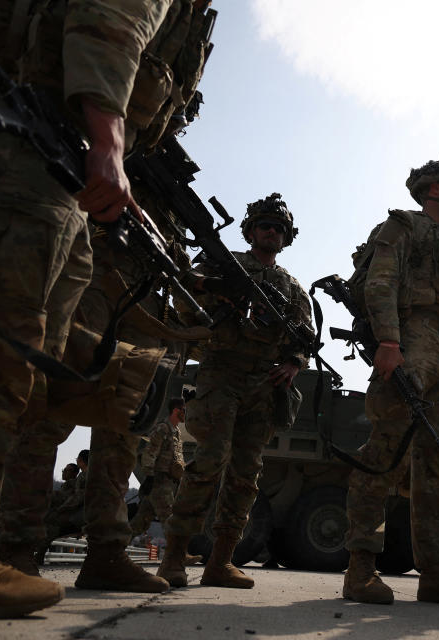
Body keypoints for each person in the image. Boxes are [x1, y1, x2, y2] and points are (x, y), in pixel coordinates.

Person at [0, 0, 175, 618]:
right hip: (33, 149)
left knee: (19, 365)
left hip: (53, 163)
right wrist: (108, 143)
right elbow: (110, 20)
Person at [0, 0, 215, 595]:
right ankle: (16, 548)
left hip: (133, 278)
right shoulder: (116, 105)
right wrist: (110, 141)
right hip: (88, 240)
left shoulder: (162, 127)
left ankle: (107, 550)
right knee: (50, 398)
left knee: (124, 412)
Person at [340, 159, 439, 609]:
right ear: (433, 187)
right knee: (384, 454)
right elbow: (380, 281)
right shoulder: (404, 226)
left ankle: (437, 572)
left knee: (436, 465)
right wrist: (388, 339)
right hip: (410, 339)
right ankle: (361, 566)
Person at [157, 193, 313, 589]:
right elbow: (185, 299)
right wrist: (217, 289)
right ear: (250, 231)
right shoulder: (225, 266)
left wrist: (293, 364)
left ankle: (221, 561)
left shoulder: (292, 287)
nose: (272, 232)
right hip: (221, 372)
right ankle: (173, 557)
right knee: (208, 462)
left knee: (246, 474)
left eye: (279, 228)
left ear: (288, 237)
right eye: (265, 225)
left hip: (263, 384)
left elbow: (304, 338)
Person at [129, 398, 187, 537]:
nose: (186, 414)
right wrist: (149, 476)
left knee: (140, 522)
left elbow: (177, 456)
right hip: (159, 481)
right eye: (184, 410)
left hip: (167, 481)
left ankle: (114, 546)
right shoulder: (163, 428)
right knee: (170, 518)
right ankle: (178, 555)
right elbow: (150, 452)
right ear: (175, 410)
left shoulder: (177, 432)